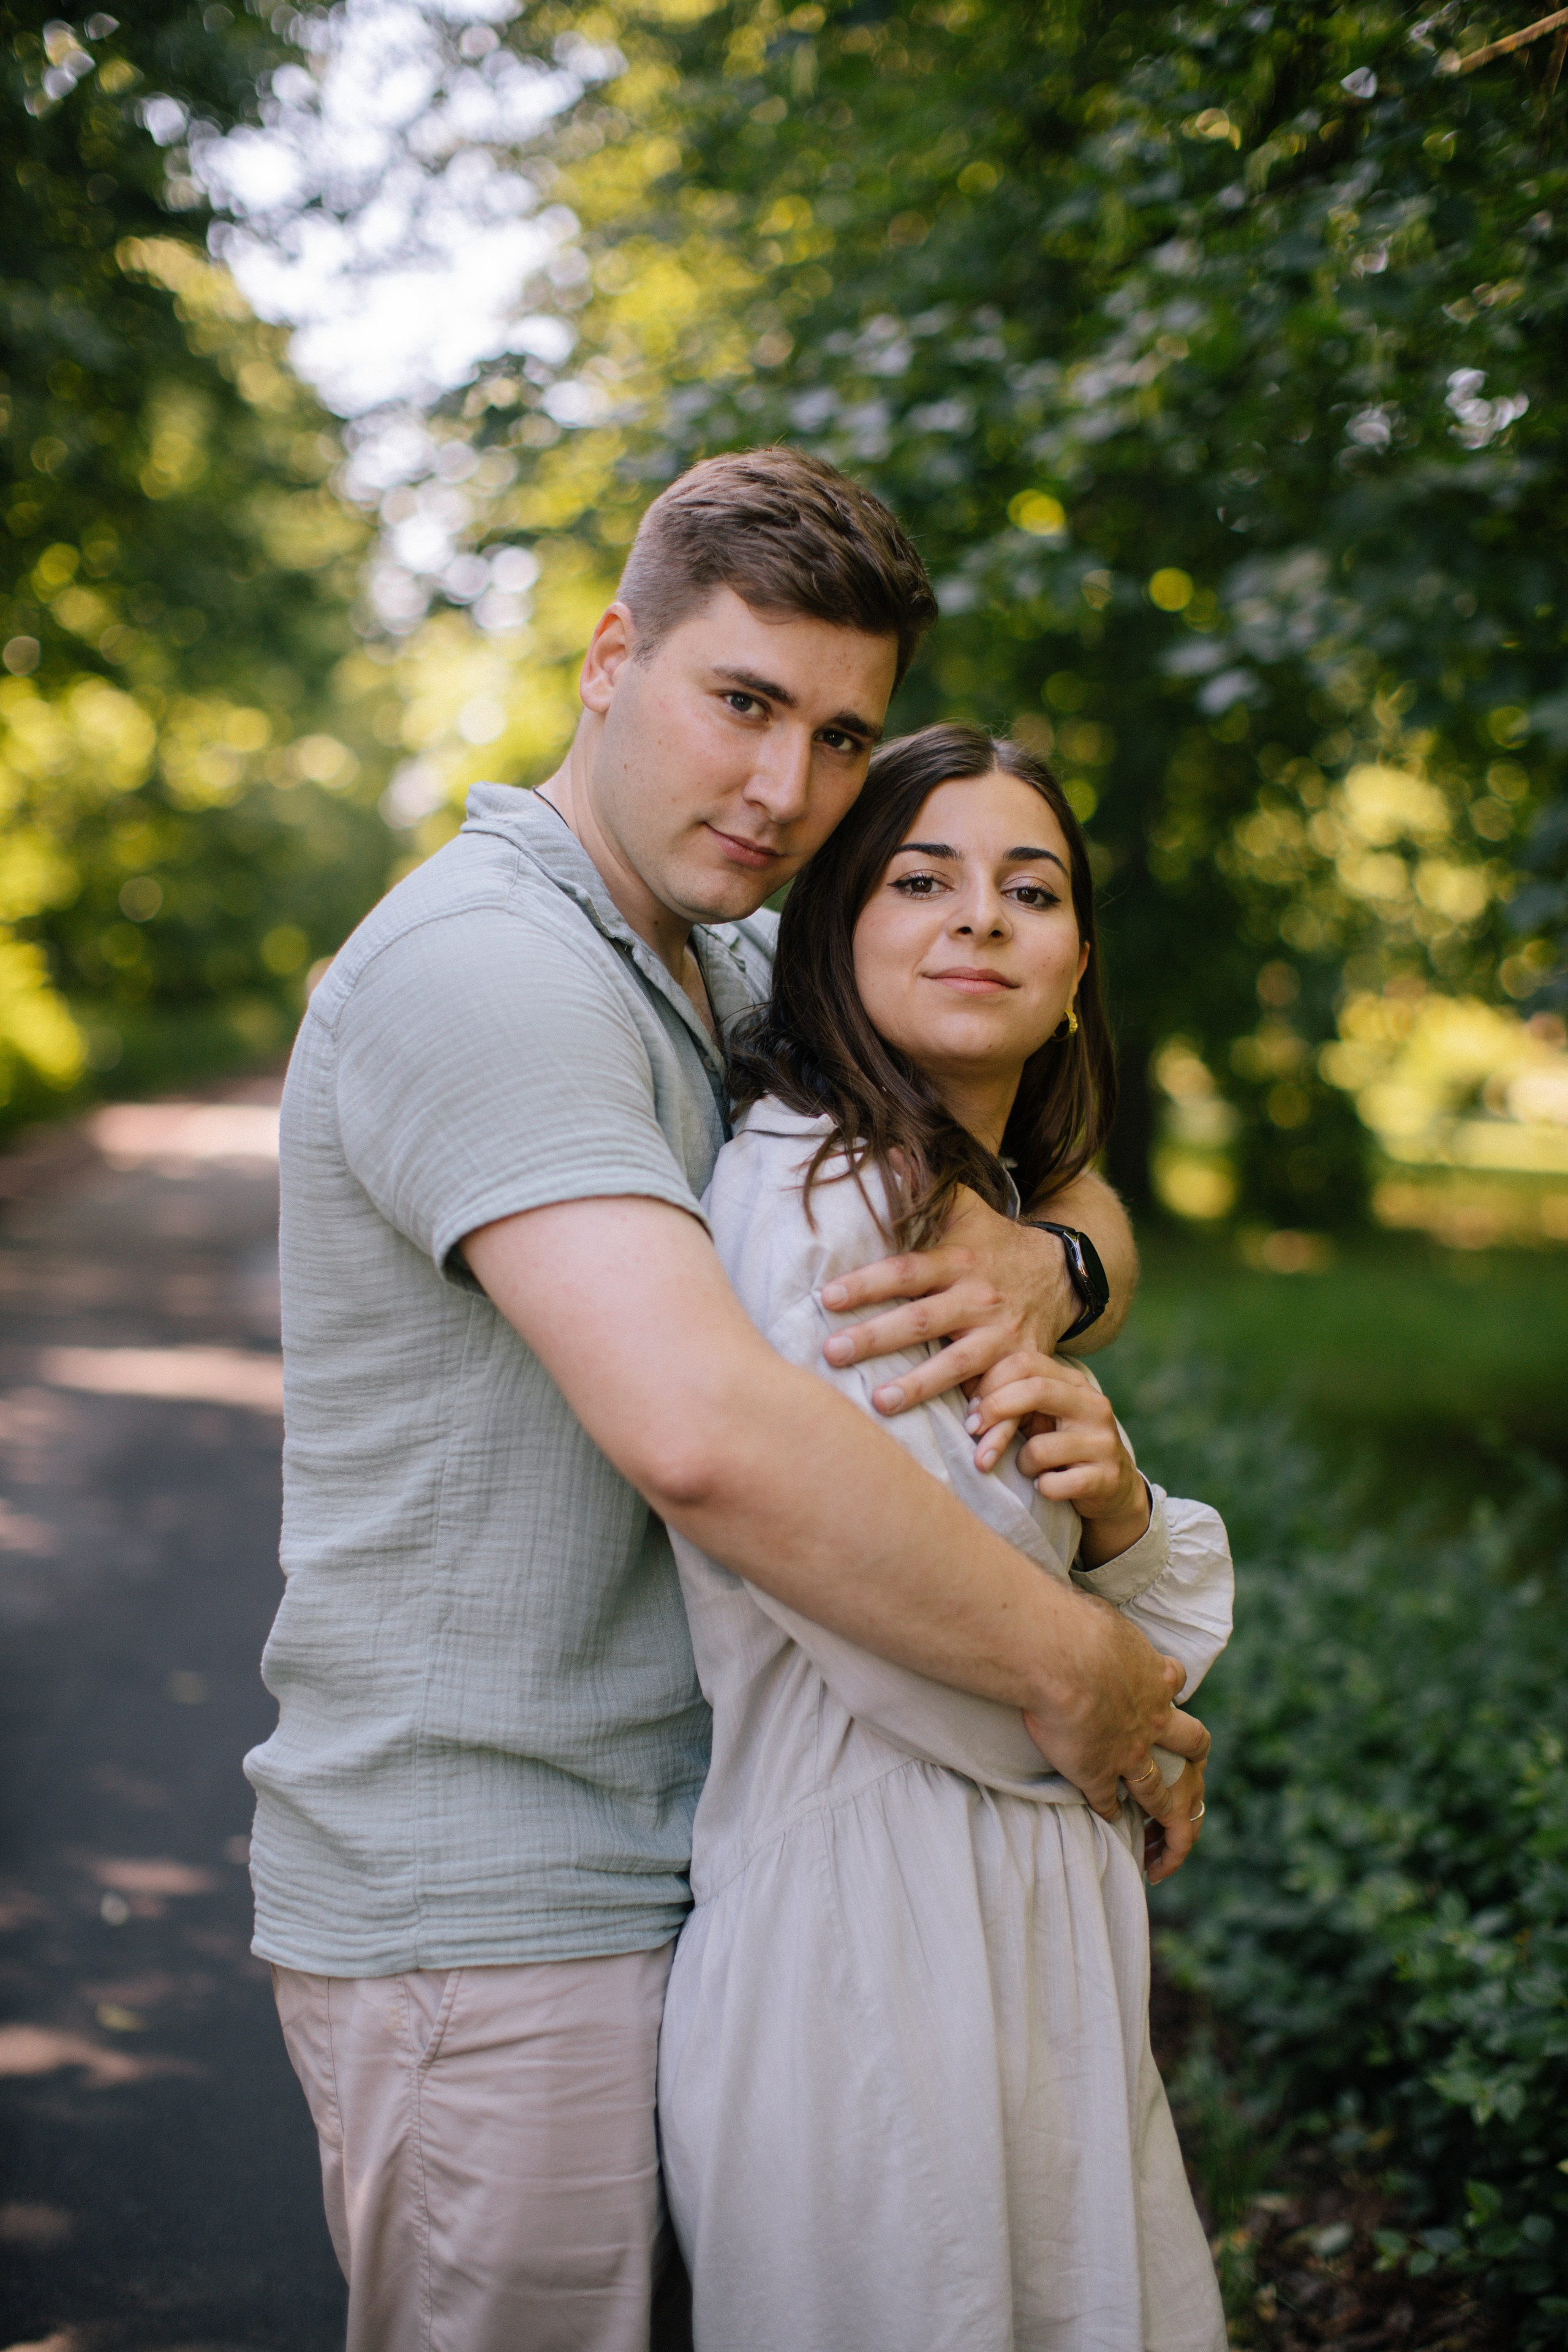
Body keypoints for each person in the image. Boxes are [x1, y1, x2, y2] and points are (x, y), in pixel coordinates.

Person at [245, 448, 1210, 2352]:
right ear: (613, 659)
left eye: (842, 738)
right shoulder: (488, 970)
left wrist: (1054, 1261)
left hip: (716, 1859)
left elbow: (1048, 1142)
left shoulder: (731, 943)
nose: (788, 791)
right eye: (743, 704)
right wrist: (1088, 1667)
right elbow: (701, 1432)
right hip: (499, 1901)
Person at [659, 723, 1232, 2351]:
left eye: (1030, 891)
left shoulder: (982, 1219)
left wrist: (1119, 1513)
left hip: (1023, 1928)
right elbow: (975, 1684)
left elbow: (1070, 1621)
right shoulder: (823, 1211)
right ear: (833, 931)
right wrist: (1134, 1709)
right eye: (922, 880)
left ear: (1077, 968)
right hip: (873, 1949)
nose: (982, 915)